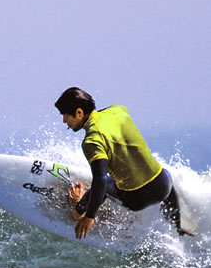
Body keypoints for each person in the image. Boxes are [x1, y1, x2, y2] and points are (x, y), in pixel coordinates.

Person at [55, 87, 185, 240]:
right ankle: (178, 228)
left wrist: (89, 216)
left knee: (106, 186)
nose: (64, 121)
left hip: (137, 198)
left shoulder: (92, 141)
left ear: (79, 112)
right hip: (164, 185)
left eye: (65, 115)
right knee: (162, 172)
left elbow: (100, 180)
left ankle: (77, 209)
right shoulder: (118, 110)